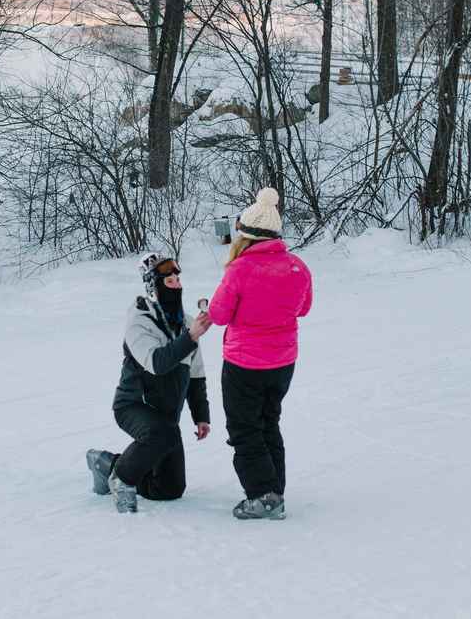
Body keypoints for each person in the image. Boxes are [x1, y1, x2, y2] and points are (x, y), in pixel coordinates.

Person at [208, 187, 312, 521]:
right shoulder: (297, 266)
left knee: (244, 428)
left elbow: (220, 315)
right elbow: (304, 308)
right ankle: (274, 490)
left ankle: (263, 495)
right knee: (269, 422)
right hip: (283, 361)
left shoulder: (239, 269)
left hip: (244, 363)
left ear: (246, 236)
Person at [86, 253, 212, 513]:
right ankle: (122, 479)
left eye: (178, 279)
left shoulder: (186, 324)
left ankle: (107, 465)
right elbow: (157, 363)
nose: (177, 285)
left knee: (170, 488)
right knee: (161, 433)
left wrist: (201, 415)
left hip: (166, 417)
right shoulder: (139, 321)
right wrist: (190, 337)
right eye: (169, 281)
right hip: (132, 406)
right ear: (154, 287)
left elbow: (196, 374)